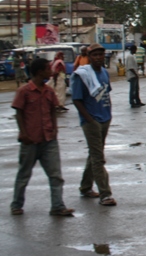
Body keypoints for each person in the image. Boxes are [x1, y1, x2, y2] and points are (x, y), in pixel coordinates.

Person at [10, 57, 74, 217]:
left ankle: (57, 206)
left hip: (48, 140)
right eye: (47, 69)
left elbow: (53, 110)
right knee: (24, 174)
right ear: (39, 72)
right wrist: (23, 133)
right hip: (30, 140)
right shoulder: (24, 92)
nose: (50, 72)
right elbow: (19, 113)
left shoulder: (49, 91)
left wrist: (54, 129)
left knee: (56, 175)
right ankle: (16, 204)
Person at [71, 43, 116, 206]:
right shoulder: (81, 75)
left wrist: (108, 114)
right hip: (91, 121)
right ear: (89, 57)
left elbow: (107, 93)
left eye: (101, 54)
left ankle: (85, 187)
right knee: (98, 158)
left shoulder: (104, 72)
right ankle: (105, 193)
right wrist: (89, 120)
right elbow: (76, 99)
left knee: (94, 154)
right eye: (95, 55)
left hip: (105, 118)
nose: (98, 57)